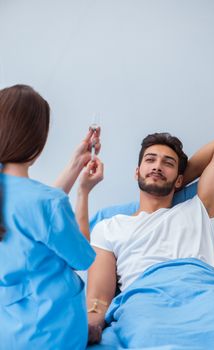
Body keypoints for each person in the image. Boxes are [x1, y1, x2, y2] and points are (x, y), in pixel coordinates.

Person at [86, 132, 214, 348]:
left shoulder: (200, 210)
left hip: (204, 295)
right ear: (137, 172)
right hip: (145, 300)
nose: (157, 166)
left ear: (181, 179)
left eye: (168, 163)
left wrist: (175, 182)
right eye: (150, 160)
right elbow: (98, 299)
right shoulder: (109, 227)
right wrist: (93, 323)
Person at [0, 84, 103, 350]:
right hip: (49, 335)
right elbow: (82, 259)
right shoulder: (47, 203)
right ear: (38, 143)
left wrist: (74, 165)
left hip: (8, 332)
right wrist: (83, 191)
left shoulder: (33, 200)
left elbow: (36, 215)